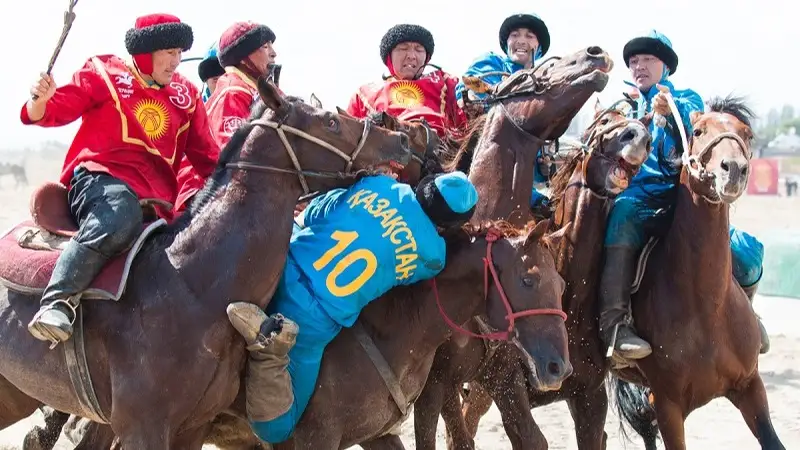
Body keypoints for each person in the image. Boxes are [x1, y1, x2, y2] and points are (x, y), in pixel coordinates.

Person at [225, 171, 479, 443]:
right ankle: (270, 353)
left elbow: (313, 213)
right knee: (277, 429)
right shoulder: (434, 256)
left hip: (281, 267)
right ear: (450, 225)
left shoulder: (379, 183)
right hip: (310, 320)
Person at [21, 13, 219, 346]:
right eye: (169, 51)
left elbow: (209, 159)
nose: (177, 60)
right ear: (145, 52)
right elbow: (54, 110)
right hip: (99, 181)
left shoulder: (185, 97)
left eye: (179, 52)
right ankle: (57, 300)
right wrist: (39, 99)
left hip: (157, 202)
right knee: (119, 213)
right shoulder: (103, 72)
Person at [598, 30, 769, 360]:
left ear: (666, 67)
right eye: (634, 61)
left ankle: (747, 312)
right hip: (637, 203)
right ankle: (615, 325)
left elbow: (695, 127)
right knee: (622, 215)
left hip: (681, 202)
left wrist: (669, 107)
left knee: (748, 252)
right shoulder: (623, 108)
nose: (640, 66)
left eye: (648, 59)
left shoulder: (686, 98)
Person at [174, 21, 279, 214]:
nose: (273, 53)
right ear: (245, 57)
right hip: (202, 194)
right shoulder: (232, 92)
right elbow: (234, 158)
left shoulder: (258, 90)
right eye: (265, 46)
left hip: (237, 189)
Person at [345, 24, 466, 140]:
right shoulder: (365, 93)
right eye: (403, 48)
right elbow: (347, 138)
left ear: (427, 57)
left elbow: (465, 119)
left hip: (438, 149)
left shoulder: (445, 81)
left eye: (419, 50)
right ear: (389, 57)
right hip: (387, 151)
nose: (412, 56)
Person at [455, 13, 550, 114]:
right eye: (515, 35)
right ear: (506, 44)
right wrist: (472, 99)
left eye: (529, 36)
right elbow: (469, 83)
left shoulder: (546, 80)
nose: (521, 41)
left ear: (539, 49)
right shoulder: (492, 62)